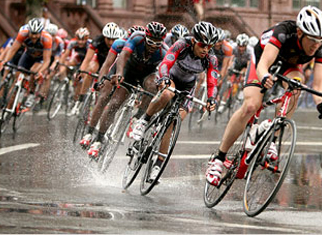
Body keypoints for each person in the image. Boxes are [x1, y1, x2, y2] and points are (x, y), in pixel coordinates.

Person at [206, 6, 322, 187]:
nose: (317, 44)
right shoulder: (283, 32)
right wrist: (265, 77)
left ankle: (273, 139)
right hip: (263, 59)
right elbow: (263, 66)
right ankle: (218, 159)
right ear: (299, 32)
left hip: (289, 66)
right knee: (251, 105)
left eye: (320, 40)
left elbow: (319, 84)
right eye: (313, 40)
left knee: (296, 88)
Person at [129, 21, 220, 182]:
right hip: (169, 76)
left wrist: (211, 99)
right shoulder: (181, 44)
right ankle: (144, 121)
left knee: (172, 123)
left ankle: (157, 166)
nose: (206, 49)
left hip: (188, 87)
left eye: (209, 46)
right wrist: (164, 78)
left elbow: (212, 82)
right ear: (193, 41)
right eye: (202, 44)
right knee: (167, 95)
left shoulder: (210, 58)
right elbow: (166, 63)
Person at [83, 22, 168, 158]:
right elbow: (122, 56)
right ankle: (98, 139)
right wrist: (120, 73)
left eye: (157, 44)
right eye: (151, 42)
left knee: (152, 86)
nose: (153, 46)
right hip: (129, 71)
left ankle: (139, 117)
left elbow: (166, 70)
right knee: (115, 102)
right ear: (146, 37)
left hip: (146, 74)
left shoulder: (164, 51)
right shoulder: (136, 38)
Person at [0, 18, 53, 110]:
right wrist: (5, 61)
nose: (34, 36)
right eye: (32, 33)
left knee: (33, 71)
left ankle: (31, 93)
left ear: (41, 32)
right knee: (17, 78)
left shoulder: (47, 38)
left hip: (40, 59)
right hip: (27, 56)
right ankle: (9, 108)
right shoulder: (23, 33)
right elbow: (13, 49)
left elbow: (47, 60)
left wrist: (40, 72)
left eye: (36, 34)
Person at [70, 22, 121, 116]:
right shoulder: (98, 41)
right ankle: (80, 100)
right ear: (104, 36)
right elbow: (87, 59)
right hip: (99, 61)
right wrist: (81, 71)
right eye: (108, 39)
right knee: (90, 70)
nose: (110, 42)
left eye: (113, 39)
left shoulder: (120, 43)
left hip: (112, 64)